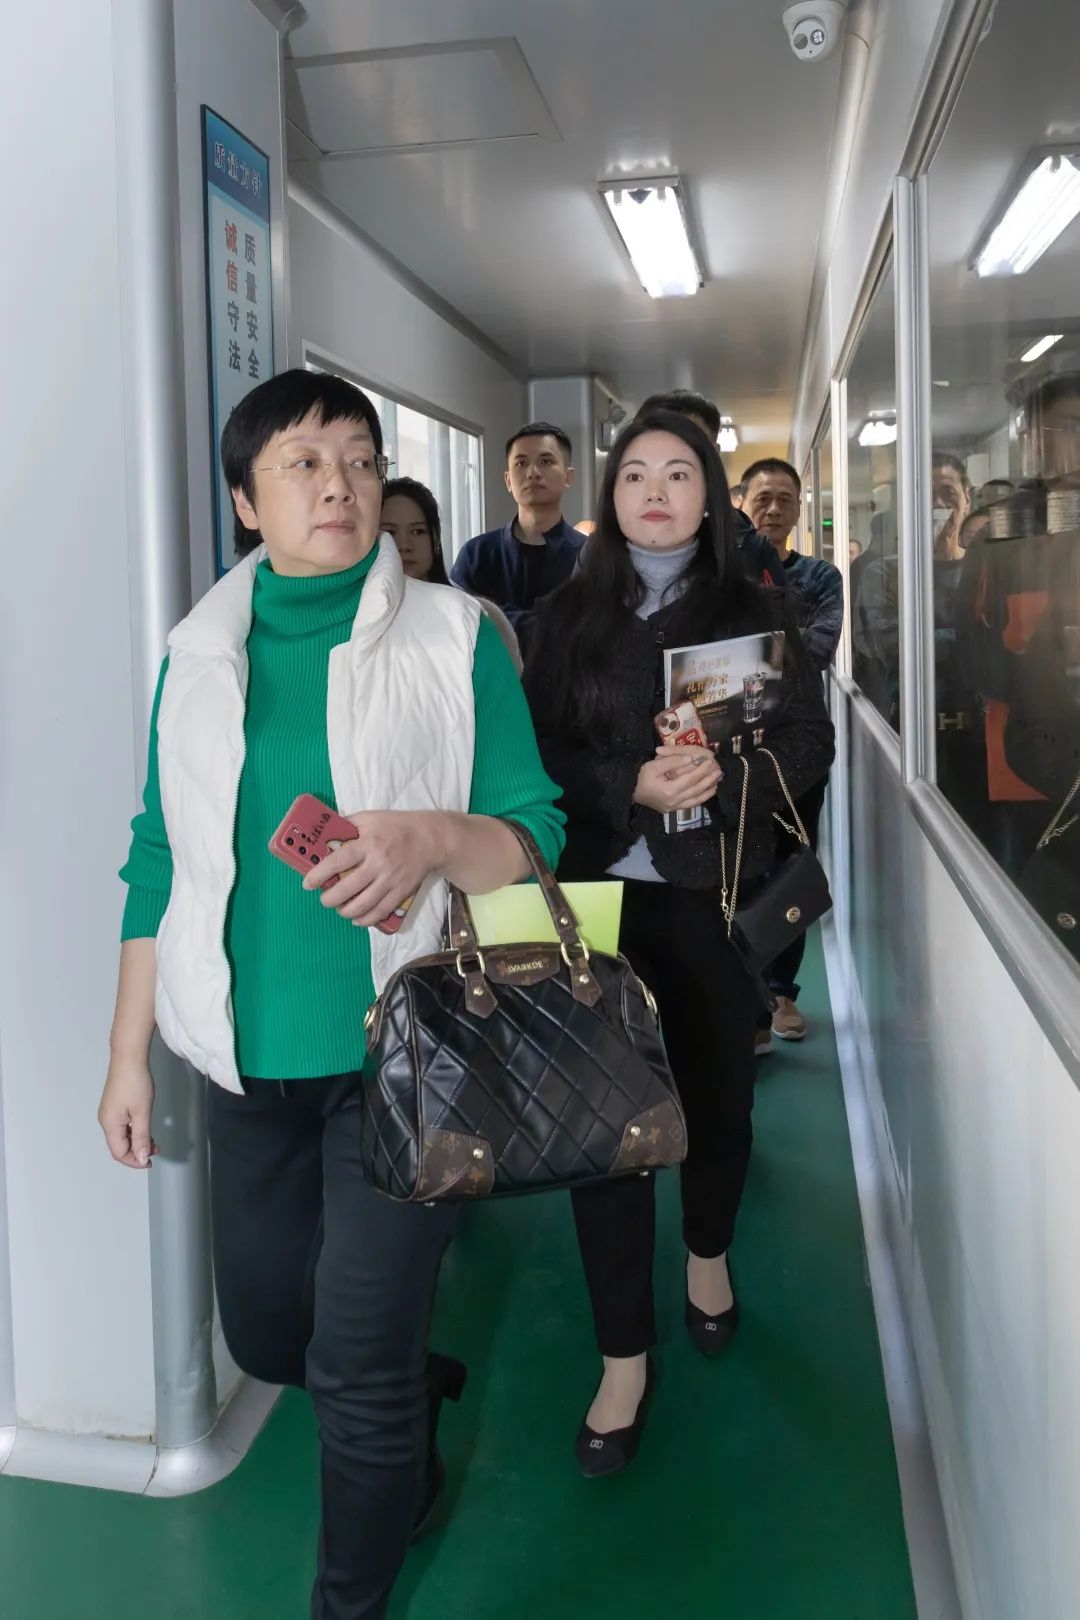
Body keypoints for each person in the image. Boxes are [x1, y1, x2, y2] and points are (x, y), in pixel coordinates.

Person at [97, 369, 565, 1620]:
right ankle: (416, 1388)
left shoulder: (458, 636)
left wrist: (430, 838)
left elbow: (534, 833)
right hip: (242, 1059)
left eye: (360, 459)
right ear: (248, 503)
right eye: (304, 463)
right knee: (269, 1340)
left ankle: (348, 1597)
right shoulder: (196, 656)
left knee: (355, 1366)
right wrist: (128, 1053)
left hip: (407, 1051)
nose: (340, 485)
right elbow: (158, 854)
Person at [524, 410, 833, 1477]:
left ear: (710, 498)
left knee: (717, 1106)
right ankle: (622, 1357)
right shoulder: (564, 618)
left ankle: (707, 1255)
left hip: (711, 901)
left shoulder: (757, 614)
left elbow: (809, 742)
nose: (655, 492)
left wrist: (721, 776)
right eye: (636, 475)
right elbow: (534, 755)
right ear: (611, 494)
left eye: (680, 474)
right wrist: (631, 783)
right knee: (602, 1135)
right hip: (598, 907)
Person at [740, 457, 842, 1048]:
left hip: (799, 748)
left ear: (799, 508)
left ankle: (782, 992)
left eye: (784, 498)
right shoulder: (726, 576)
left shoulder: (820, 577)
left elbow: (818, 652)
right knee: (738, 869)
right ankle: (748, 999)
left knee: (791, 866)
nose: (773, 508)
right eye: (763, 498)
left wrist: (747, 656)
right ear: (742, 503)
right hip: (733, 749)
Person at [637, 389, 788, 589]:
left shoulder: (751, 550)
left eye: (690, 443)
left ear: (714, 454)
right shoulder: (609, 542)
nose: (675, 457)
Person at [450, 420, 582, 626]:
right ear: (508, 481)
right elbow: (461, 624)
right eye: (521, 463)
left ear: (568, 476)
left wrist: (501, 617)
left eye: (546, 461)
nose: (532, 473)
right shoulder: (476, 555)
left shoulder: (590, 556)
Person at [381, 474, 521, 669]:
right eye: (390, 532)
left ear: (435, 540)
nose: (404, 545)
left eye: (418, 531)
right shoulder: (361, 621)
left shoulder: (479, 616)